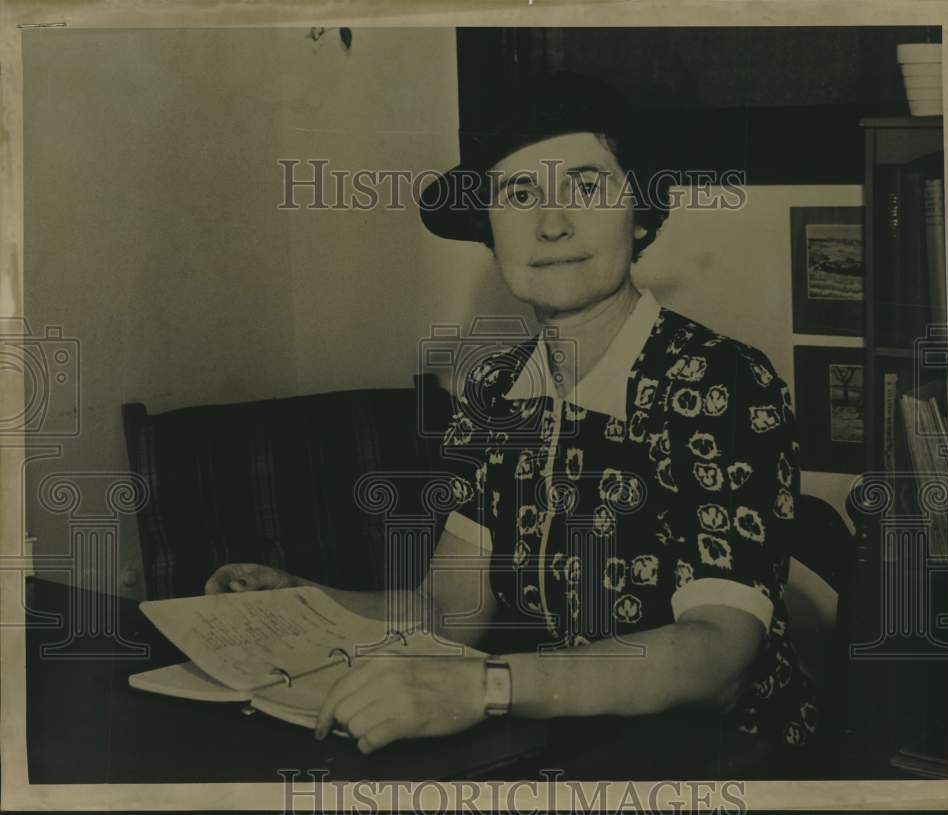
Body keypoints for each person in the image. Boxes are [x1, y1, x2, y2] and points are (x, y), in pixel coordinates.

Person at [205, 72, 818, 762]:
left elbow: (717, 659)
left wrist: (487, 688)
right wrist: (308, 598)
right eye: (519, 193)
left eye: (586, 187)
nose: (551, 223)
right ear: (490, 231)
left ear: (640, 212)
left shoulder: (724, 381)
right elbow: (452, 611)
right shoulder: (495, 390)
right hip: (555, 749)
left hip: (723, 763)